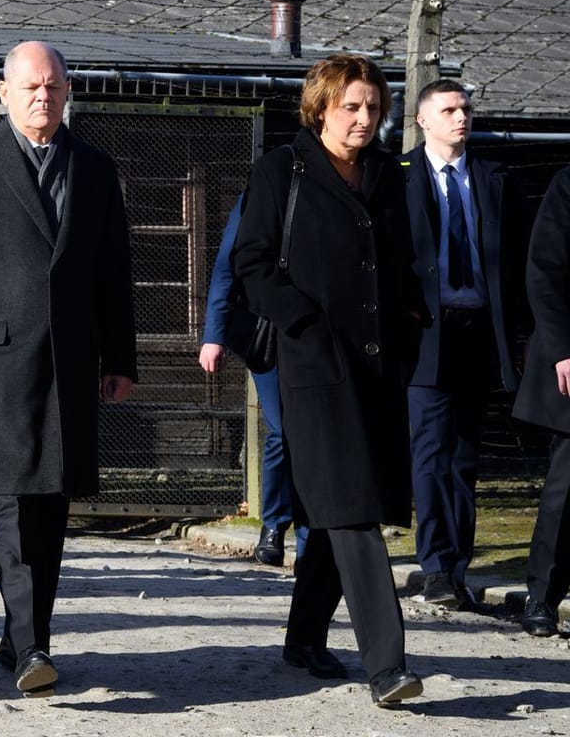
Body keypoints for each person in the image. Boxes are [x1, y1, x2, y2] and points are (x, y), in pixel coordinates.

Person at [0, 41, 136, 698]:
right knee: (9, 501)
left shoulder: (93, 169)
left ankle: (23, 633)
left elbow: (112, 269)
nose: (45, 98)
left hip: (69, 359)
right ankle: (33, 644)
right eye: (32, 87)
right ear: (3, 93)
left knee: (51, 503)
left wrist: (119, 356)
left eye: (56, 88)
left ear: (69, 94)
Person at [232, 53, 425, 705]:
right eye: (352, 106)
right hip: (314, 368)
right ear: (321, 107)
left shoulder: (387, 175)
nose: (365, 118)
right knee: (354, 513)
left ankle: (303, 638)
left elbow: (400, 265)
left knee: (331, 508)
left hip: (376, 369)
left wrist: (411, 322)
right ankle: (388, 666)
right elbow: (252, 262)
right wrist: (303, 323)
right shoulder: (280, 170)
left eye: (373, 107)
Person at [401, 79, 529, 609]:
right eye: (450, 110)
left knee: (465, 455)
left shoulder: (495, 178)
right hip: (426, 329)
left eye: (467, 109)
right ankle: (434, 565)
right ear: (424, 120)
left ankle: (458, 567)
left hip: (480, 329)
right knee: (429, 450)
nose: (462, 117)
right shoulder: (397, 177)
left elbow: (518, 260)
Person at [199, 196, 307, 567]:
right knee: (284, 430)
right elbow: (226, 268)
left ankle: (312, 537)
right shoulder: (261, 195)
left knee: (314, 435)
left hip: (326, 333)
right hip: (271, 332)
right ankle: (275, 525)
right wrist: (214, 334)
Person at [517, 164, 570, 637]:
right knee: (566, 487)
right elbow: (545, 271)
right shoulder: (567, 185)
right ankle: (542, 597)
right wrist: (562, 349)